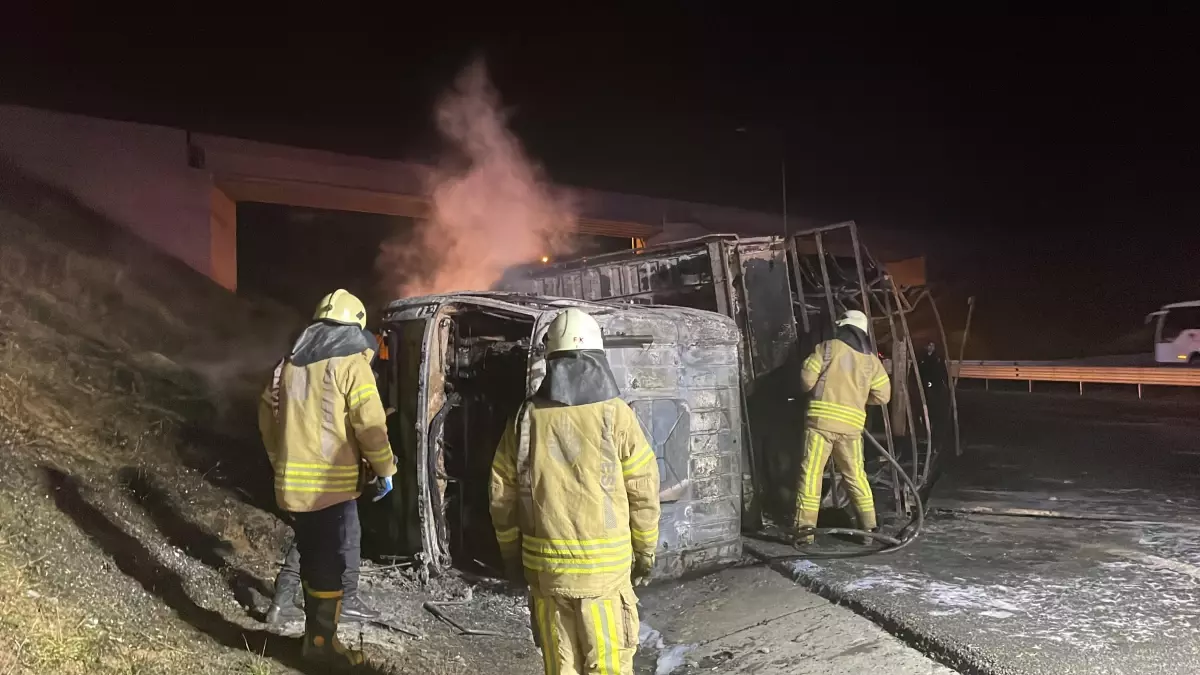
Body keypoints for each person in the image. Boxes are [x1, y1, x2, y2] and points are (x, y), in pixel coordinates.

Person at [490, 308, 661, 675]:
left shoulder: (526, 417)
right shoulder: (616, 415)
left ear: (551, 359)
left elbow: (500, 492)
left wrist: (510, 555)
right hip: (605, 578)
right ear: (598, 357)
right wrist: (645, 550)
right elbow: (643, 489)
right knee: (608, 667)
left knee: (561, 668)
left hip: (546, 572)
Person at [258, 289, 396, 668]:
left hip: (292, 486)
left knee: (312, 561)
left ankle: (312, 639)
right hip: (330, 490)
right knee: (328, 567)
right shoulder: (352, 365)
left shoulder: (286, 364)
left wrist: (279, 462)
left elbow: (268, 419)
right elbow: (369, 425)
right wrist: (385, 469)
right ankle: (321, 648)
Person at [795, 309, 891, 544]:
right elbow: (883, 396)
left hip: (821, 426)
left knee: (811, 476)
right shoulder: (872, 361)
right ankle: (869, 530)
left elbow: (806, 381)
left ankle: (804, 533)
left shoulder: (827, 348)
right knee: (856, 476)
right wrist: (858, 398)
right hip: (851, 429)